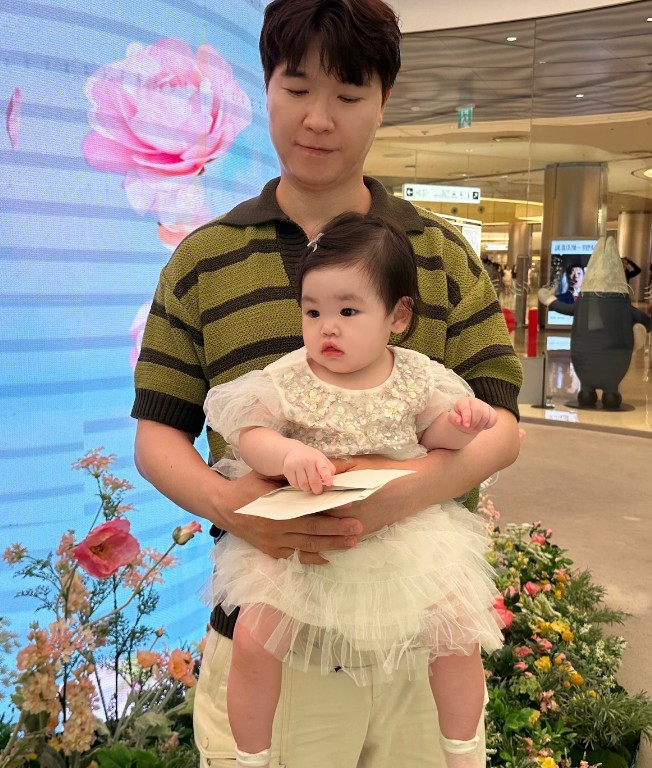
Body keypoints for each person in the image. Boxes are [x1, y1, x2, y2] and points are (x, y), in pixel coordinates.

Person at [131, 1, 523, 766]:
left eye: (347, 94)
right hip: (269, 635)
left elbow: (501, 427)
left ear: (383, 100)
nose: (318, 118)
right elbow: (157, 435)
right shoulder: (202, 261)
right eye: (296, 87)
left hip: (414, 641)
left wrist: (401, 494)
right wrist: (232, 508)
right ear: (266, 86)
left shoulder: (440, 254)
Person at [203, 212, 504, 768]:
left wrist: (463, 424)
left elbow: (436, 435)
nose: (327, 328)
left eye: (347, 311)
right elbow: (249, 433)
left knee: (457, 627)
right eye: (312, 311)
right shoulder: (291, 376)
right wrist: (287, 455)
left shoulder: (415, 374)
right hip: (305, 539)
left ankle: (461, 749)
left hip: (403, 531)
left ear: (398, 315)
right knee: (255, 636)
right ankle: (251, 755)